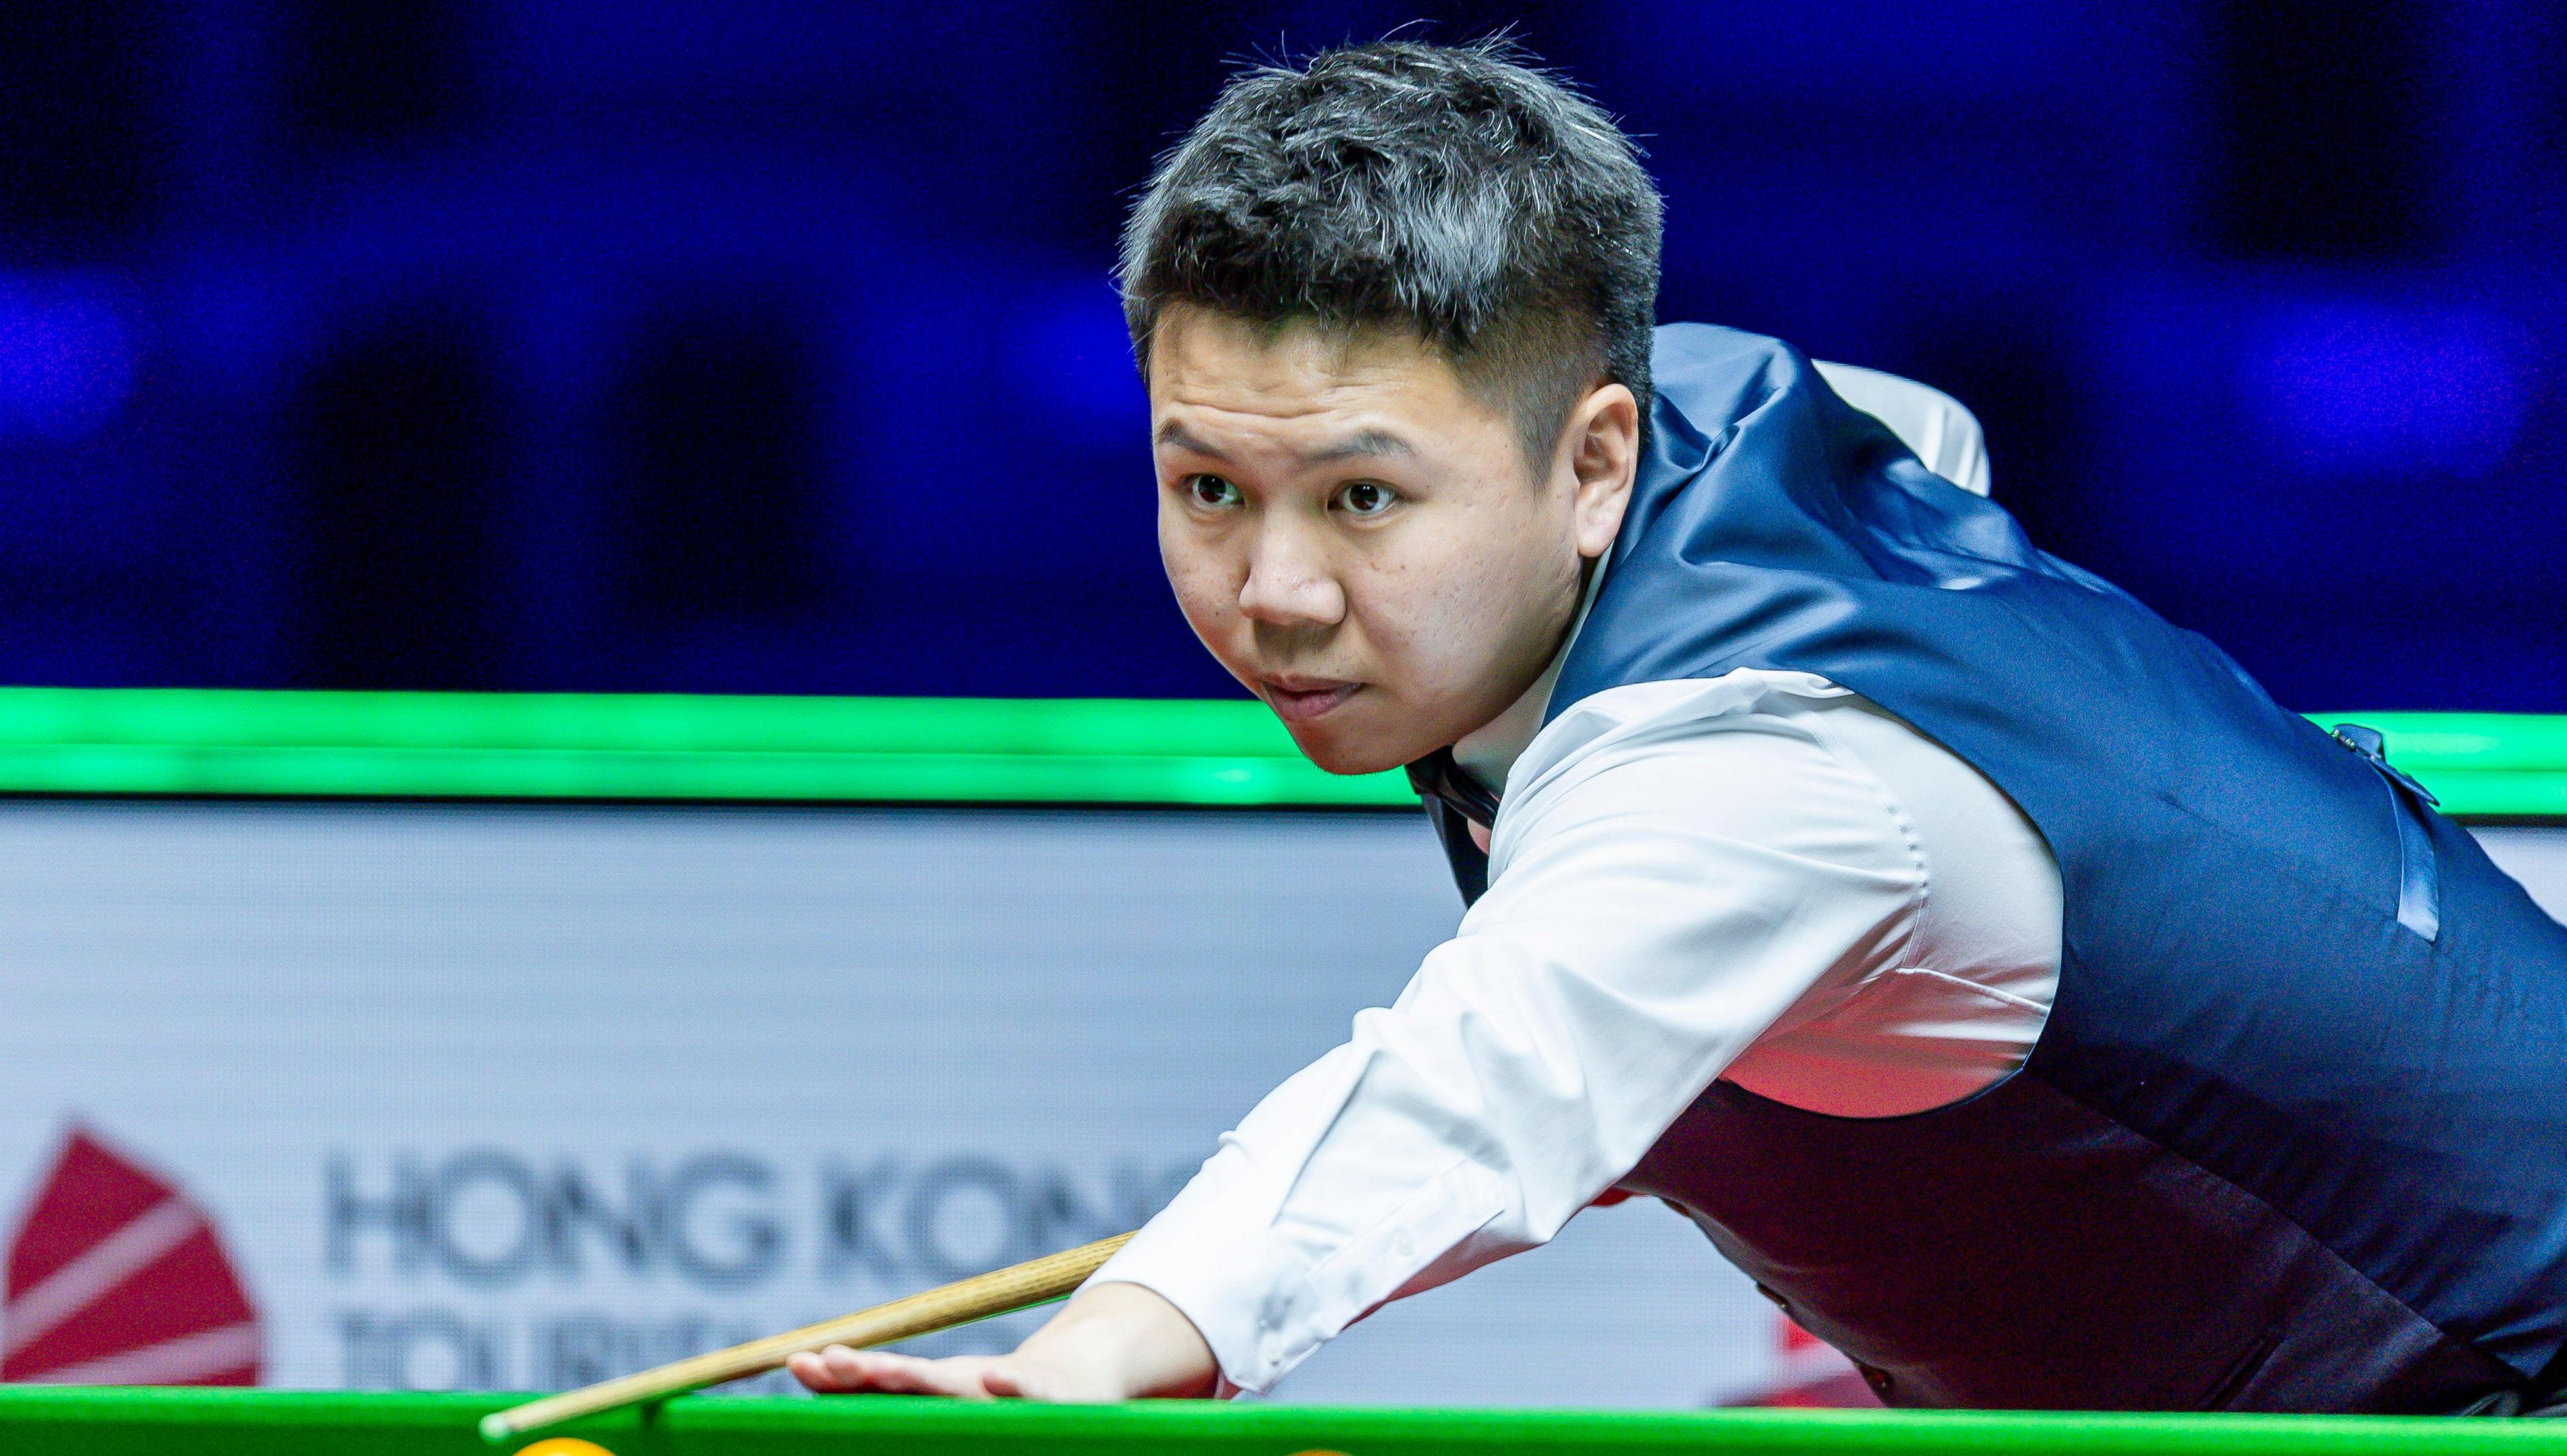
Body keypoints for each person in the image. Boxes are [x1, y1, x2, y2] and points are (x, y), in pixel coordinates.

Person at [790, 40, 2567, 1413]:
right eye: (1205, 486)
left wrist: (1094, 1364)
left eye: (1359, 503)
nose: (1273, 591)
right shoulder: (1695, 414)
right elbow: (1912, 431)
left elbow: (1471, 1086)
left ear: (1596, 464)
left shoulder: (1744, 777)